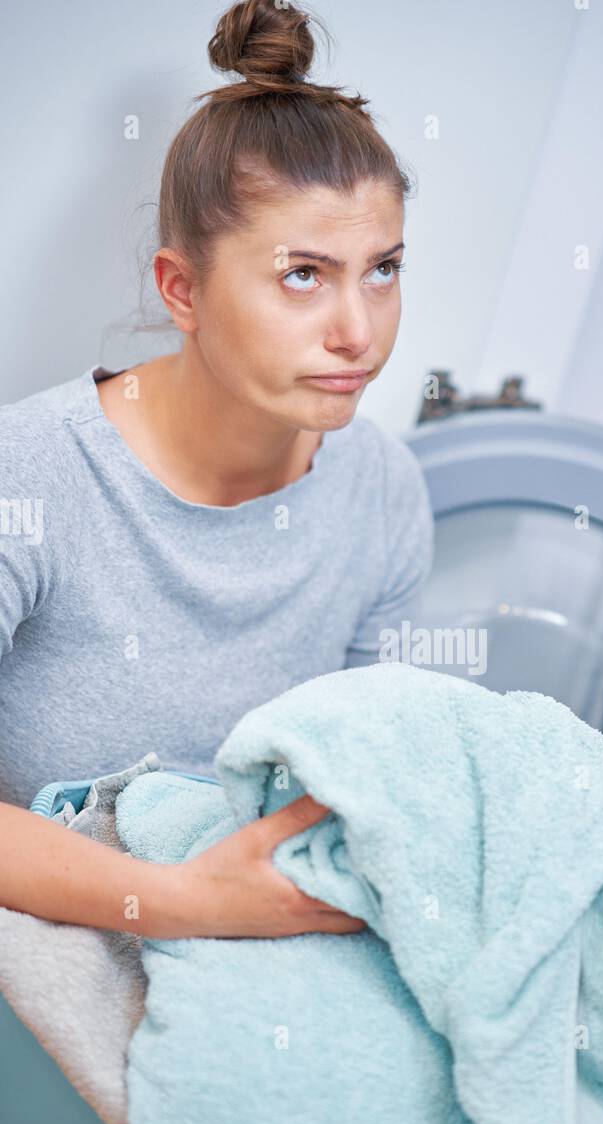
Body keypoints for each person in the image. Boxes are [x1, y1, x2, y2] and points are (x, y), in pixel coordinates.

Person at [0, 0, 433, 943]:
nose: (359, 331)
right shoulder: (29, 478)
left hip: (278, 938)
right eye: (303, 275)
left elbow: (368, 777)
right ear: (182, 290)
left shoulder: (384, 493)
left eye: (384, 269)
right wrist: (189, 905)